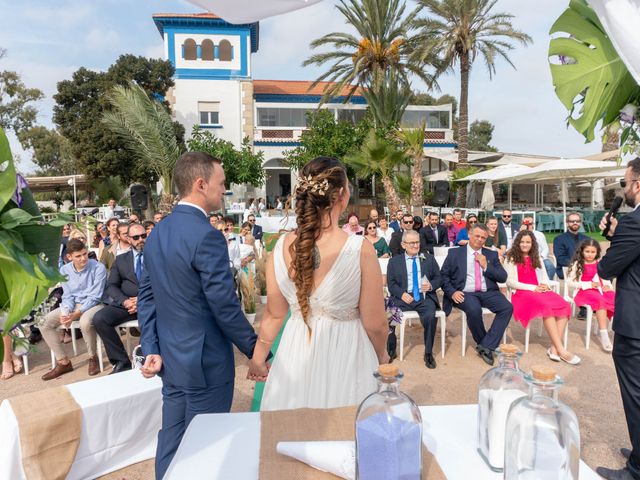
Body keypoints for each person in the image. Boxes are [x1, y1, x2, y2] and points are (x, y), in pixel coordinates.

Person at [137, 151, 259, 479]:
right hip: (205, 364)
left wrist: (151, 348)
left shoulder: (156, 234)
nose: (225, 190)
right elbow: (223, 305)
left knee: (172, 442)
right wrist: (256, 350)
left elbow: (146, 298)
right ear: (201, 184)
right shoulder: (207, 236)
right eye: (222, 184)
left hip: (170, 361)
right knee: (206, 449)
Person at [247, 156, 389, 410]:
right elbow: (375, 322)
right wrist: (382, 355)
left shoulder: (280, 247)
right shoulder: (361, 249)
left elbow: (273, 315)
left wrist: (258, 358)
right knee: (347, 433)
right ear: (343, 195)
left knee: (293, 434)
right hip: (348, 355)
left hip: (296, 352)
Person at [596, 157, 640, 480]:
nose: (622, 189)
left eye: (624, 183)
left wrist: (614, 237)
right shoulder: (629, 224)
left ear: (637, 185)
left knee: (636, 394)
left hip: (635, 325)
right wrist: (618, 234)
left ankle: (637, 468)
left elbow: (607, 268)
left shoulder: (634, 222)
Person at [441, 224, 512, 366]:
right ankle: (485, 345)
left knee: (507, 307)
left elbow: (503, 277)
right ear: (469, 235)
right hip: (465, 292)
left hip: (488, 292)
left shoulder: (491, 255)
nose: (480, 240)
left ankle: (485, 346)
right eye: (477, 236)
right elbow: (443, 276)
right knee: (474, 309)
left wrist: (486, 266)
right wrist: (452, 292)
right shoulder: (454, 253)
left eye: (483, 238)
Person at [504, 231, 579, 365]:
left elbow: (544, 275)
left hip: (540, 290)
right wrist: (533, 288)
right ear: (517, 243)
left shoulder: (536, 256)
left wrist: (545, 285)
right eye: (522, 242)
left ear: (532, 243)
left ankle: (553, 348)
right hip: (523, 293)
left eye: (528, 242)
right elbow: (509, 281)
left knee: (565, 306)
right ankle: (561, 349)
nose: (525, 244)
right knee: (547, 308)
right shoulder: (510, 257)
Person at [40, 239, 107, 380]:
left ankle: (92, 357)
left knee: (84, 322)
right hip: (74, 305)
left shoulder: (98, 267)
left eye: (85, 254)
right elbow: (68, 296)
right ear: (69, 257)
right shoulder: (64, 270)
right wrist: (66, 312)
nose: (83, 258)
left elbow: (95, 296)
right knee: (43, 323)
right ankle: (63, 362)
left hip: (95, 305)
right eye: (78, 256)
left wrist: (76, 313)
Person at [92, 223, 148, 374]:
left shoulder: (157, 257)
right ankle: (121, 362)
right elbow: (111, 286)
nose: (140, 240)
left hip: (151, 303)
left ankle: (146, 358)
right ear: (129, 239)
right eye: (136, 237)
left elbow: (164, 284)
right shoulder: (121, 260)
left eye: (143, 236)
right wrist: (125, 301)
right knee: (100, 319)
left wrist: (142, 300)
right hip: (127, 304)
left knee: (154, 316)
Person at [387, 230, 442, 368]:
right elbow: (391, 284)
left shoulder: (428, 258)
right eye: (412, 243)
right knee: (389, 314)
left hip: (424, 298)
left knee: (430, 316)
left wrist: (430, 286)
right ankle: (391, 348)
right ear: (403, 244)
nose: (416, 245)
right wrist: (401, 294)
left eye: (417, 242)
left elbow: (439, 278)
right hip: (403, 297)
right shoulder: (394, 262)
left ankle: (428, 353)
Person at [567, 239, 615, 352]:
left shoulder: (600, 263)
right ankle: (604, 335)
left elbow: (606, 278)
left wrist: (608, 286)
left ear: (597, 252)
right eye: (587, 251)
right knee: (600, 301)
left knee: (617, 298)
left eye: (593, 252)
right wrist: (589, 284)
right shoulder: (577, 264)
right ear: (582, 251)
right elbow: (570, 282)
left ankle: (621, 333)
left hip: (600, 289)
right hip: (584, 291)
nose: (590, 254)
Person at [552, 212, 589, 279]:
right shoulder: (559, 239)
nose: (575, 223)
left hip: (585, 267)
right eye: (572, 221)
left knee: (605, 271)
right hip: (566, 268)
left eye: (577, 221)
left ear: (580, 223)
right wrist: (577, 264)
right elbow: (561, 259)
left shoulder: (586, 239)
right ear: (567, 223)